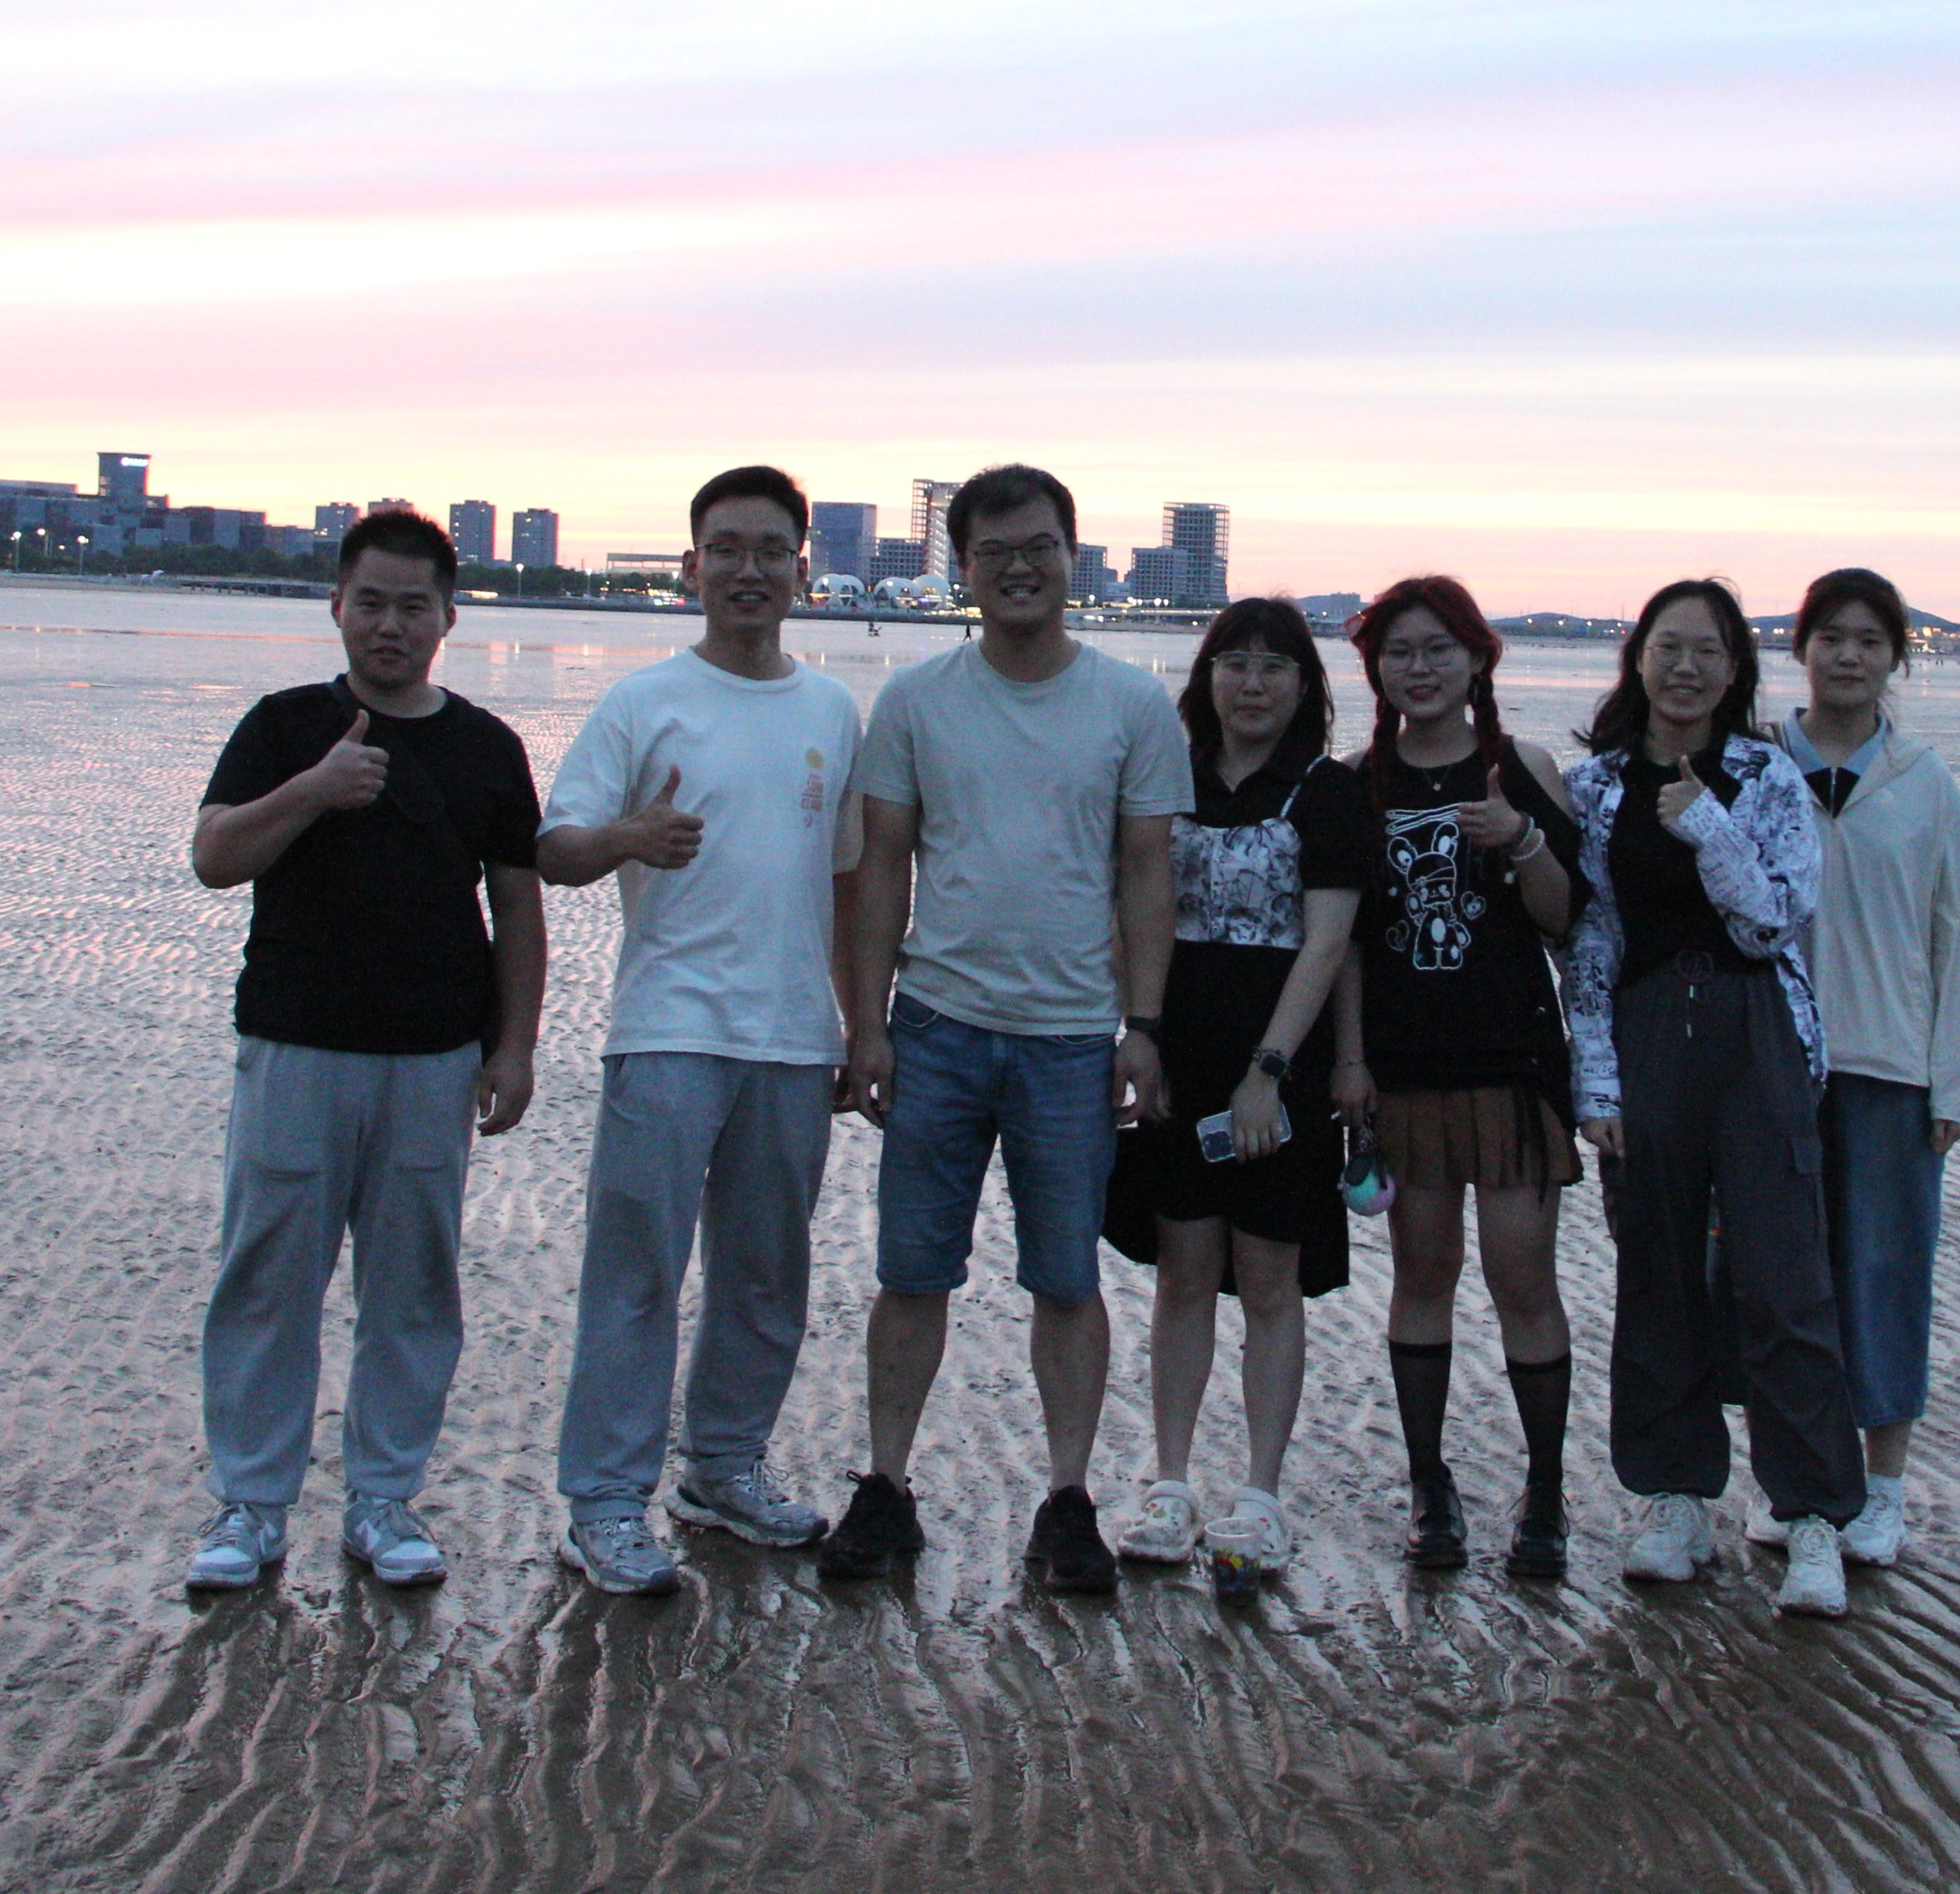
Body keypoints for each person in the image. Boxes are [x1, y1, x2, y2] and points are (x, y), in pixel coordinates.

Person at [827, 463, 1194, 1590]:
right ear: (964, 567)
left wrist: (1142, 1025)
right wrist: (867, 1025)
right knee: (912, 1270)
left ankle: (1068, 1499)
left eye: (1040, 547)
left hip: (1072, 1037)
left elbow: (1148, 876)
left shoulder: (1132, 705)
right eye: (994, 552)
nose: (1019, 568)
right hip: (938, 1025)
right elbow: (882, 869)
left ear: (1072, 557)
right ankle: (887, 1485)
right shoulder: (916, 701)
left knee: (1067, 1278)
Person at [183, 506, 544, 1592]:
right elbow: (213, 857)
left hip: (433, 1058)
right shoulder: (284, 725)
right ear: (338, 606)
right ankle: (252, 1505)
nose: (391, 625)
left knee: (414, 1288)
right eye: (372, 603)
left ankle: (384, 1500)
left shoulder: (486, 747)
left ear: (448, 617)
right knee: (267, 1279)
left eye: (413, 607)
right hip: (295, 1045)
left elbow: (518, 908)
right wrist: (314, 790)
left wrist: (514, 1047)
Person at [534, 465, 863, 1594]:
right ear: (692, 567)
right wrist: (628, 837)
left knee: (766, 1276)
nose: (749, 570)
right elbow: (554, 850)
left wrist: (863, 1029)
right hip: (668, 1027)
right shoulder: (643, 701)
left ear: (802, 570)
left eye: (771, 551)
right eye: (726, 549)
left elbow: (851, 883)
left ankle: (722, 1468)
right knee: (636, 1274)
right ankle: (605, 1501)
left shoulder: (831, 711)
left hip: (794, 1038)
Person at [1560, 577, 1860, 1619]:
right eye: (1668, 647)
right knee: (1658, 1270)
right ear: (1638, 658)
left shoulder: (1768, 776)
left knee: (1785, 1277)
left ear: (1735, 671)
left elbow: (1774, 922)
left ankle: (1812, 1513)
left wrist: (1710, 828)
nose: (1685, 669)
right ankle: (1674, 1498)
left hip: (1756, 1028)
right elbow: (1589, 942)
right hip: (1647, 1030)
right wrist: (1595, 1079)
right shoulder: (1595, 787)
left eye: (1707, 652)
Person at [1098, 597, 1372, 1589]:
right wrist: (1139, 1035)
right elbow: (1129, 909)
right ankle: (1169, 1483)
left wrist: (1271, 1072)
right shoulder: (1165, 780)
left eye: (1274, 666)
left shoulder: (1329, 793)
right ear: (1206, 677)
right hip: (1177, 1051)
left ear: (1305, 686)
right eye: (1234, 663)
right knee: (1182, 1272)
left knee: (1267, 1280)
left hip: (1278, 1062)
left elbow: (1329, 943)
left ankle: (1259, 1496)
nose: (1252, 684)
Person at [1341, 575, 1587, 1576]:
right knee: (1422, 1276)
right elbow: (1347, 942)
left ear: (1479, 658)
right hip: (1405, 1070)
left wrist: (1520, 839)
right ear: (1375, 669)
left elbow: (1565, 920)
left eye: (1439, 649)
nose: (1421, 668)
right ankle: (1429, 1485)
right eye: (1399, 652)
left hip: (1514, 1066)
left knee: (1523, 1277)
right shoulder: (1357, 782)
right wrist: (1351, 1064)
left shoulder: (1522, 768)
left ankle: (1545, 1491)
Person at [1766, 567, 1960, 1570]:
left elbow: (1956, 940)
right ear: (1800, 647)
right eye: (1831, 637)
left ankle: (1883, 1489)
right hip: (1772, 1066)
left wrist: (1954, 1083)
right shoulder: (1759, 766)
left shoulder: (1923, 781)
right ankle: (1796, 1484)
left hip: (1890, 1070)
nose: (1848, 657)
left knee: (1885, 1279)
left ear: (1896, 656)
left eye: (1869, 640)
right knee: (1778, 1286)